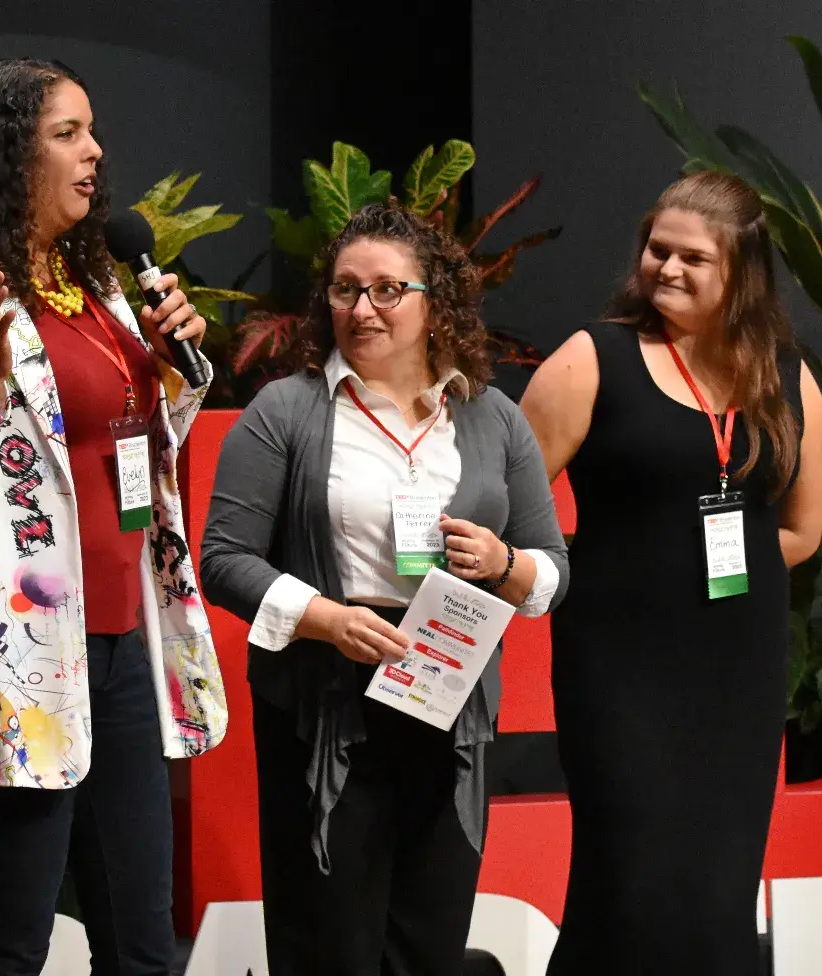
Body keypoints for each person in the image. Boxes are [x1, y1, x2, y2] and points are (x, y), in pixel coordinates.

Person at [0, 58, 227, 976]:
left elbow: (131, 453)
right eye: (67, 134)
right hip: (15, 658)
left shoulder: (97, 279)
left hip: (122, 641)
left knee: (143, 945)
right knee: (9, 942)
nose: (94, 153)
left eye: (92, 131)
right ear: (7, 153)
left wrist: (172, 372)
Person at [200, 201, 569, 976]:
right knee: (327, 944)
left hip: (449, 703)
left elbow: (551, 573)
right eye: (344, 291)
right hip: (325, 702)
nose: (362, 310)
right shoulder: (286, 411)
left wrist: (503, 562)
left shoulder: (493, 418)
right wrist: (328, 619)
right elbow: (225, 560)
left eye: (385, 291)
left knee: (429, 945)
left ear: (435, 301)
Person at [520, 170, 822, 973]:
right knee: (629, 880)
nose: (667, 269)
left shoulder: (787, 376)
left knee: (717, 888)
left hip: (737, 668)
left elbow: (798, 529)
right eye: (659, 250)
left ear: (743, 274)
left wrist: (713, 583)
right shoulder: (594, 358)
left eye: (694, 258)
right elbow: (509, 505)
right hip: (618, 668)